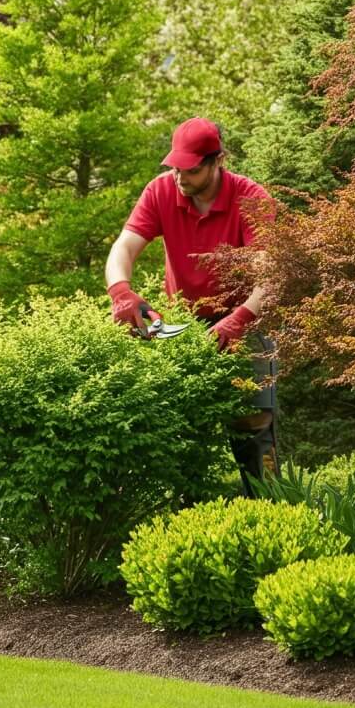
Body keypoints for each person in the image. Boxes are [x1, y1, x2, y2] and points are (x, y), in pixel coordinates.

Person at [104, 117, 277, 494]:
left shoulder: (251, 199)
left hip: (246, 317)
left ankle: (272, 510)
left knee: (252, 426)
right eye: (176, 167)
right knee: (181, 427)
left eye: (192, 169)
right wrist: (121, 292)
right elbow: (124, 248)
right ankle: (190, 517)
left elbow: (270, 277)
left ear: (218, 161)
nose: (181, 177)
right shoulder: (161, 191)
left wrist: (239, 319)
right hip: (184, 322)